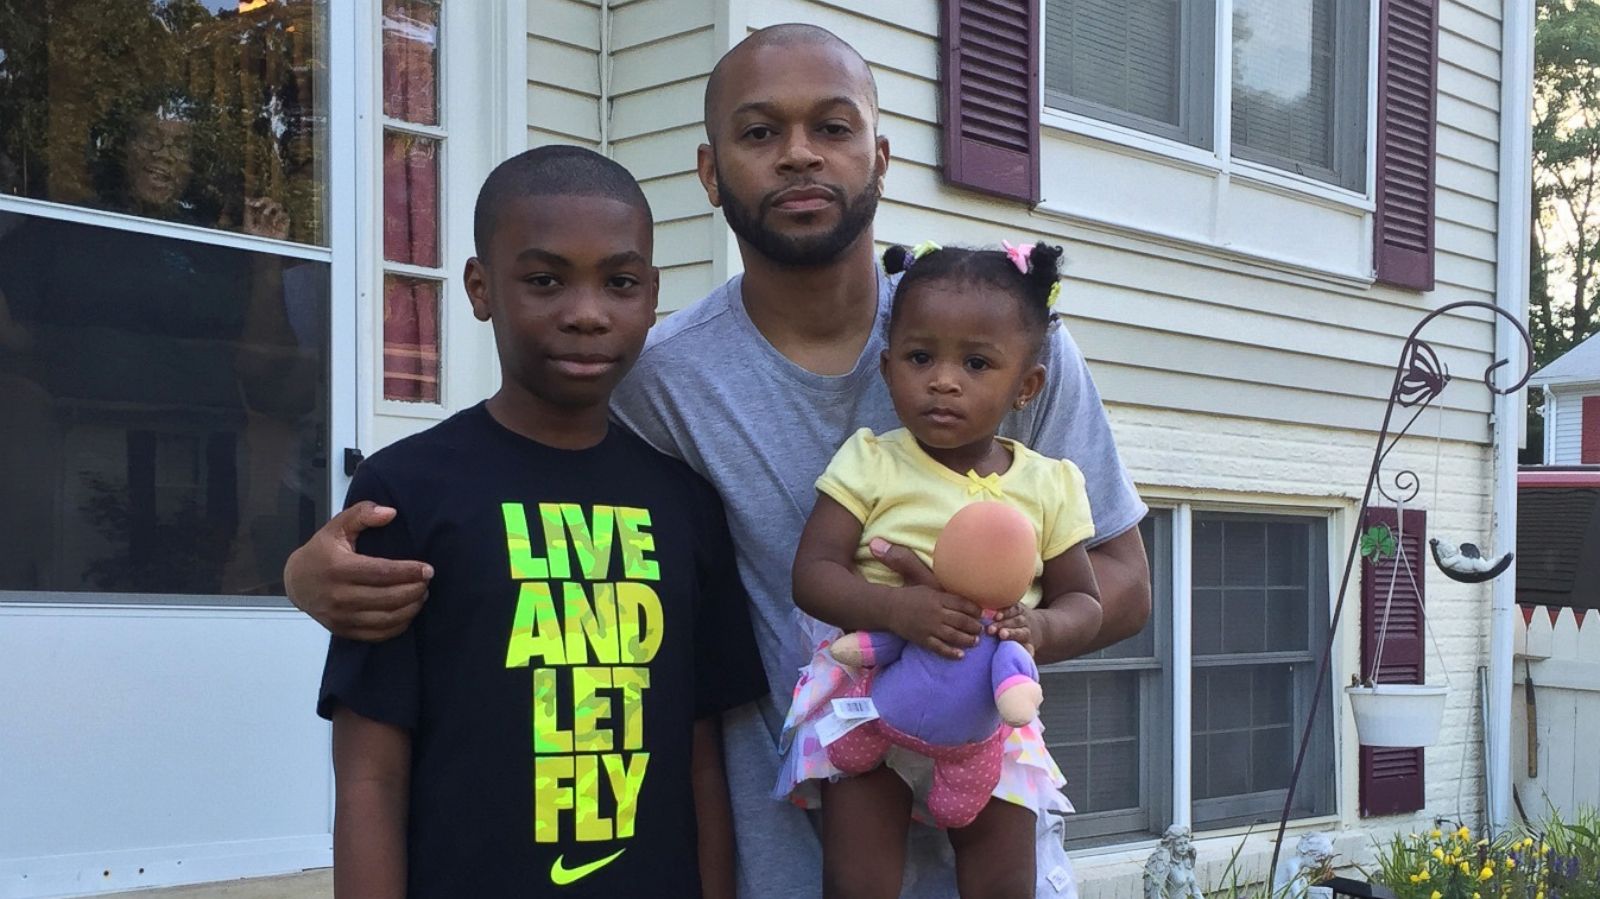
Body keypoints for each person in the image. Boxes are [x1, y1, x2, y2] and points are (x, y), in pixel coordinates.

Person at [285, 24, 1151, 898]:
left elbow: (1123, 577)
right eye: (760, 132)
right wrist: (306, 575)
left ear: (881, 157)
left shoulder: (1004, 346)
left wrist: (985, 623)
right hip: (775, 864)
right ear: (710, 171)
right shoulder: (656, 378)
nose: (799, 156)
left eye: (834, 128)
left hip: (988, 842)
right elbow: (518, 477)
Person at [315, 145, 767, 898]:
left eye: (619, 282)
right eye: (545, 280)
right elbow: (369, 771)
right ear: (481, 286)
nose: (586, 313)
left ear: (651, 294)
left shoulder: (686, 501)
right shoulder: (407, 490)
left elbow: (700, 758)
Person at [778, 240, 1103, 898]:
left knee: (1005, 882)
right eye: (921, 357)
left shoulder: (1049, 484)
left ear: (1026, 385)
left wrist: (1037, 628)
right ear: (888, 365)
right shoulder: (871, 461)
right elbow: (812, 572)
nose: (943, 379)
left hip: (990, 710)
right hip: (871, 693)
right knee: (857, 881)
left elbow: (1086, 602)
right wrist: (897, 610)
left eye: (977, 362)